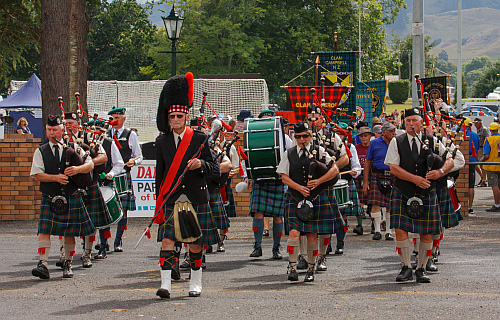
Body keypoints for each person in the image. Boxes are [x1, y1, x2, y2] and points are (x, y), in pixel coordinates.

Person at [155, 73, 218, 298]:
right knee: (167, 241)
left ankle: (196, 282)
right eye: (172, 116)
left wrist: (200, 164)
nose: (175, 120)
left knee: (195, 244)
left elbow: (215, 169)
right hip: (172, 199)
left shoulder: (200, 139)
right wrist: (159, 203)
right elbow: (159, 176)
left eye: (179, 116)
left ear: (186, 115)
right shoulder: (161, 141)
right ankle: (165, 285)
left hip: (195, 198)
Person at [385, 107, 454, 283]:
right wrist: (415, 179)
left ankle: (421, 268)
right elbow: (393, 167)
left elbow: (450, 160)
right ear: (403, 123)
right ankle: (406, 267)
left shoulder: (433, 141)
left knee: (427, 232)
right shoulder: (396, 141)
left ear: (421, 123)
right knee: (400, 229)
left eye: (414, 120)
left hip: (426, 192)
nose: (410, 124)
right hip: (403, 191)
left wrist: (440, 172)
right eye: (407, 121)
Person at [30, 114, 95, 279]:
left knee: (69, 233)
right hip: (50, 196)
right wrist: (55, 178)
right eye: (49, 130)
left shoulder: (74, 146)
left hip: (71, 195)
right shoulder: (41, 151)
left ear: (61, 130)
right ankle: (43, 263)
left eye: (55, 130)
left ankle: (68, 264)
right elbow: (37, 175)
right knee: (44, 231)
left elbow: (91, 164)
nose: (51, 133)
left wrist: (77, 170)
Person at [277, 121, 343, 282]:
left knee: (312, 235)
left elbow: (335, 169)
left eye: (305, 136)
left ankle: (311, 269)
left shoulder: (319, 151)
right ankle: (292, 267)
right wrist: (299, 188)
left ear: (310, 136)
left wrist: (320, 181)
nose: (302, 139)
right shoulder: (289, 153)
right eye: (298, 136)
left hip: (315, 198)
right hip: (295, 197)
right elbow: (284, 176)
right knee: (294, 232)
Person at [64, 111, 108, 268]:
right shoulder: (59, 140)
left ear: (77, 125)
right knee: (66, 223)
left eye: (71, 124)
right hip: (68, 187)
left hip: (90, 184)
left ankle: (87, 254)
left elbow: (103, 157)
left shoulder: (89, 137)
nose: (68, 127)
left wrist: (86, 163)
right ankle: (65, 255)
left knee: (91, 222)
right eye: (66, 123)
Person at [248, 109, 285, 260]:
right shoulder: (253, 137)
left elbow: (287, 155)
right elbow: (248, 154)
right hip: (260, 179)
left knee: (278, 215)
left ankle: (276, 248)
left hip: (277, 179)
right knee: (258, 213)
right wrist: (247, 175)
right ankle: (257, 246)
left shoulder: (283, 138)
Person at [105, 106, 143, 252]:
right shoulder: (106, 134)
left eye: (117, 118)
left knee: (123, 209)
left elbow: (139, 155)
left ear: (123, 118)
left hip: (123, 175)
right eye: (112, 118)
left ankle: (118, 240)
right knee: (105, 209)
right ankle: (105, 241)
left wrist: (134, 161)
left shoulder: (130, 134)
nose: (114, 121)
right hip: (107, 176)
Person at [91, 119, 125, 260]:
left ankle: (105, 246)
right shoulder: (85, 144)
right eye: (93, 130)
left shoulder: (109, 143)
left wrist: (110, 174)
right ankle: (90, 246)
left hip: (106, 183)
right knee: (93, 217)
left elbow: (119, 163)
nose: (96, 133)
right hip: (91, 183)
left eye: (98, 130)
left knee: (104, 218)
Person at [363, 122, 396, 241]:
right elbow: (367, 162)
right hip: (377, 175)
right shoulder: (374, 143)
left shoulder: (397, 143)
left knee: (390, 205)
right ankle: (377, 231)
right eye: (391, 131)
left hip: (392, 175)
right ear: (384, 132)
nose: (393, 133)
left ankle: (388, 231)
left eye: (394, 130)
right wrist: (365, 182)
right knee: (375, 203)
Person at [354, 126, 375, 235]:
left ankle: (374, 225)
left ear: (370, 136)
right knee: (360, 200)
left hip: (371, 174)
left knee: (372, 201)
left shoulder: (373, 146)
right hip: (359, 175)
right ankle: (360, 225)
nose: (363, 138)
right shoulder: (356, 147)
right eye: (361, 136)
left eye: (365, 136)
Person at [480, 122, 500, 212]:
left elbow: (487, 155)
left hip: (492, 166)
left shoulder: (489, 139)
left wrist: (481, 160)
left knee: (494, 186)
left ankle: (497, 204)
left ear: (491, 130)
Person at [462, 118, 480, 215]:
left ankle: (461, 205)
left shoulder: (460, 134)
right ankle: (470, 206)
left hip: (462, 160)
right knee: (471, 185)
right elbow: (476, 149)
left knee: (460, 182)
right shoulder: (475, 135)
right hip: (472, 159)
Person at [474, 118, 490, 187]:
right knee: (478, 164)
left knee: (482, 164)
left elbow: (487, 139)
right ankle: (482, 178)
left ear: (479, 123)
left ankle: (484, 180)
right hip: (479, 149)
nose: (475, 125)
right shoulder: (478, 130)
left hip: (483, 148)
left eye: (476, 123)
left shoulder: (484, 130)